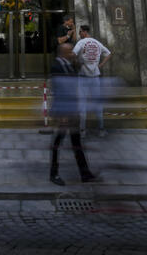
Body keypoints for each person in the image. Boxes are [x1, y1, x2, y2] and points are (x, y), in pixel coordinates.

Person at [48, 43, 97, 186]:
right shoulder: (56, 67)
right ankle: (54, 173)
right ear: (62, 53)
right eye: (70, 51)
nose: (72, 53)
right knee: (58, 142)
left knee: (76, 142)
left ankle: (85, 173)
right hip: (63, 111)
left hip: (72, 110)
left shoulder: (69, 65)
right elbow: (59, 90)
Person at [74, 24, 111, 136]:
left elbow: (73, 54)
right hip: (95, 77)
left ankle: (82, 130)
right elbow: (108, 54)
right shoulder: (97, 43)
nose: (79, 34)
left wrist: (78, 63)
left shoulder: (81, 43)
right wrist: (100, 65)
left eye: (80, 31)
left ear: (85, 32)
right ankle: (101, 129)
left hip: (83, 77)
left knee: (82, 103)